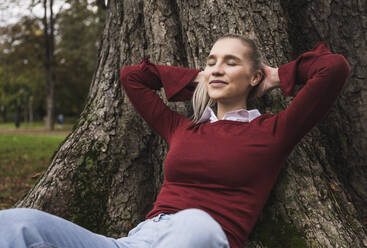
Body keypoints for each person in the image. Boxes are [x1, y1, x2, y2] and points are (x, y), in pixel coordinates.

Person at [0, 34, 350, 248]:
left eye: (231, 63)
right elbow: (131, 78)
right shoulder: (183, 128)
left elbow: (333, 68)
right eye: (211, 61)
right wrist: (202, 77)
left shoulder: (275, 131)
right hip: (139, 239)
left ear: (254, 76)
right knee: (16, 224)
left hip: (202, 236)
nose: (217, 68)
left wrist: (274, 77)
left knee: (193, 223)